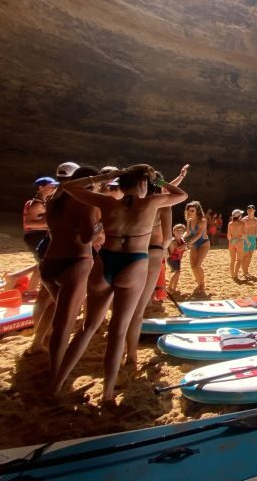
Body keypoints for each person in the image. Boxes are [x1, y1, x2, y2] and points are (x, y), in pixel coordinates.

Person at [52, 165, 187, 401]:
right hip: (132, 263)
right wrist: (160, 178)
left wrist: (105, 177)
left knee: (87, 328)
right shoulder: (150, 204)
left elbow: (68, 186)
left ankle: (55, 385)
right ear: (143, 185)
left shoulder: (107, 203)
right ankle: (107, 394)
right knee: (118, 331)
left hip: (105, 261)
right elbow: (181, 196)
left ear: (121, 185)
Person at [37, 165, 101, 380]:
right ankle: (55, 375)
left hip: (49, 263)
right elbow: (86, 238)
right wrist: (101, 227)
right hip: (76, 261)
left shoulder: (54, 201)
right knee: (64, 324)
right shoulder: (85, 203)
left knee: (60, 318)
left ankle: (52, 363)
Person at [124, 164, 189, 368]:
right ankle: (131, 355)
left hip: (128, 252)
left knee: (124, 307)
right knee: (138, 310)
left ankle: (123, 350)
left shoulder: (128, 202)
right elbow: (168, 237)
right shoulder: (161, 205)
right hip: (151, 252)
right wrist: (164, 249)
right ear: (156, 184)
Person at [23, 177, 57, 253]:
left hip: (37, 236)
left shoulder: (39, 202)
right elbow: (28, 224)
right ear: (41, 187)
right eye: (51, 186)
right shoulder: (37, 204)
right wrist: (50, 224)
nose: (54, 188)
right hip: (36, 236)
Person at [184, 201, 210, 293]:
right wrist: (179, 240)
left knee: (197, 265)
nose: (190, 212)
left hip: (203, 244)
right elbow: (187, 233)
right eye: (188, 210)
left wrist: (188, 243)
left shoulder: (202, 220)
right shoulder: (189, 221)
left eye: (192, 210)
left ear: (197, 211)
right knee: (192, 266)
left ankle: (202, 285)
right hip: (194, 244)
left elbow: (199, 235)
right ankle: (199, 284)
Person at [166, 223, 187, 293]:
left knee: (178, 274)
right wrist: (186, 245)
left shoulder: (182, 239)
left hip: (178, 259)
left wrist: (186, 245)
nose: (179, 231)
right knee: (177, 272)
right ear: (173, 231)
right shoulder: (173, 241)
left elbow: (185, 246)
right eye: (177, 230)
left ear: (183, 232)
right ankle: (169, 287)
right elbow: (179, 248)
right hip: (172, 259)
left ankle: (174, 289)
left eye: (181, 230)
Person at [241, 205, 257, 278]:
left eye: (251, 210)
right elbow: (241, 231)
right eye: (248, 210)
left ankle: (246, 271)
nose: (249, 211)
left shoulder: (256, 220)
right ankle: (244, 272)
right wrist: (245, 239)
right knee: (245, 256)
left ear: (254, 210)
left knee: (250, 256)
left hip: (253, 238)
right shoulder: (244, 219)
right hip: (246, 238)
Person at [227, 209, 245, 280]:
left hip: (232, 242)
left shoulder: (230, 224)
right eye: (241, 214)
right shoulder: (242, 224)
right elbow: (243, 235)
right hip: (239, 242)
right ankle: (235, 275)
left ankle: (232, 275)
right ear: (239, 216)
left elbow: (228, 235)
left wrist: (232, 241)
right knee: (239, 260)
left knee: (232, 260)